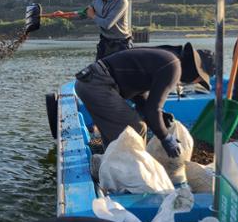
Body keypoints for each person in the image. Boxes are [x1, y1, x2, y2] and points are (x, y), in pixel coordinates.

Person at [74, 43, 210, 157]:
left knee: (116, 141)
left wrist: (159, 116)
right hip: (97, 85)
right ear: (195, 70)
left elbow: (138, 95)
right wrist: (165, 138)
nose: (193, 82)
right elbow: (152, 110)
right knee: (135, 129)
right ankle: (132, 177)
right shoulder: (173, 67)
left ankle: (109, 171)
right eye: (198, 79)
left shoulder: (168, 58)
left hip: (91, 82)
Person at [52, 0, 132, 59]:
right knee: (98, 71)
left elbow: (107, 24)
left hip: (121, 44)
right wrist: (64, 16)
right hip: (105, 43)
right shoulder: (96, 0)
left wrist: (93, 15)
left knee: (119, 73)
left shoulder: (121, 1)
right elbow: (83, 14)